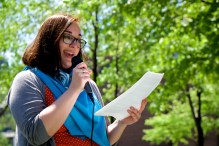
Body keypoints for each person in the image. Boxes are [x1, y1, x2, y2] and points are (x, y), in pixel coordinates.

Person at [7, 13, 147, 146]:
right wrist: (74, 90)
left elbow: (102, 139)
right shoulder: (27, 80)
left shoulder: (88, 85)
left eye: (79, 39)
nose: (75, 45)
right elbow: (36, 135)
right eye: (67, 37)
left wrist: (121, 122)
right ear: (50, 41)